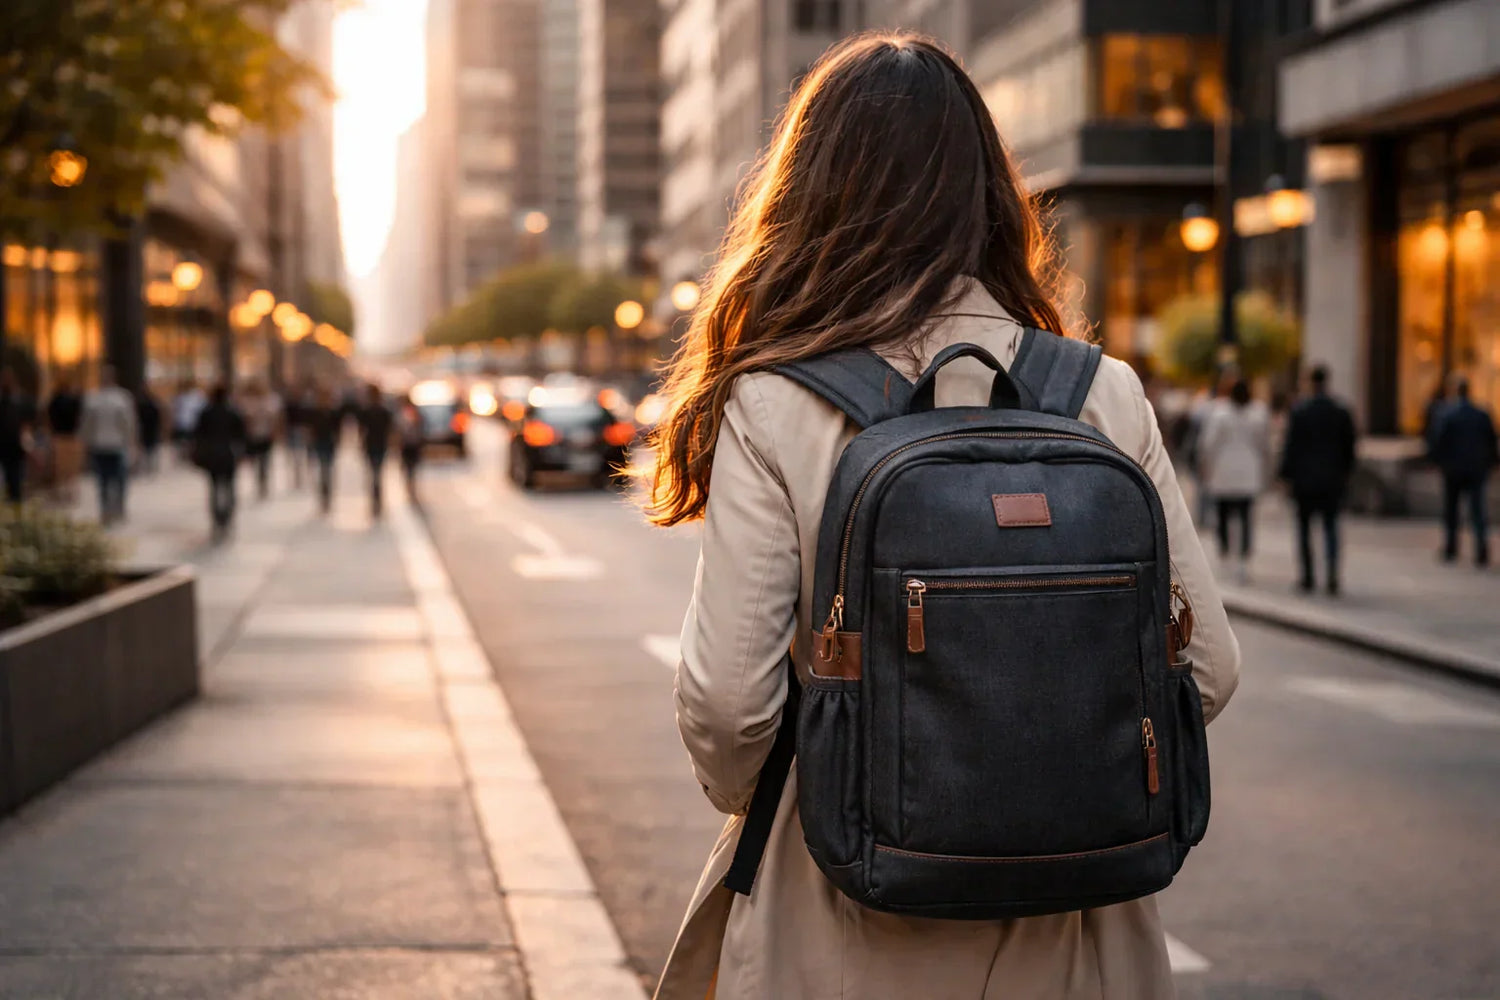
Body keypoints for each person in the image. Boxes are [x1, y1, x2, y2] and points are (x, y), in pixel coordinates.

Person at [642, 34, 1240, 1000]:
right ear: (988, 194)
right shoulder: (1101, 393)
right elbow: (1206, 668)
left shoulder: (776, 399)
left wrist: (848, 783)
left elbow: (727, 708)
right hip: (1077, 927)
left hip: (841, 912)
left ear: (805, 198)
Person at [1279, 365, 1358, 594]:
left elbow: (1290, 446)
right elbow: (1350, 447)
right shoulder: (1340, 410)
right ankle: (1332, 575)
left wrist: (1286, 476)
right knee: (1331, 527)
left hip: (1305, 480)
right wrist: (1346, 473)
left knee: (1304, 529)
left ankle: (1308, 576)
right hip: (1332, 479)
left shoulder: (1300, 411)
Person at [1197, 378, 1271, 583]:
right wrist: (1267, 471)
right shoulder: (1259, 412)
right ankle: (1243, 559)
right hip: (1249, 472)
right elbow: (1265, 445)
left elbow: (1209, 443)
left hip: (1223, 472)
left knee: (1222, 514)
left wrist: (1205, 466)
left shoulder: (1219, 413)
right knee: (1246, 518)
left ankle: (1225, 552)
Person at [1429, 374, 1499, 566]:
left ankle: (1452, 547)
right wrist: (1491, 463)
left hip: (1453, 469)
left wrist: (1437, 462)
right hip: (1476, 468)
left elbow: (1438, 441)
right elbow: (1491, 441)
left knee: (1452, 510)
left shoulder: (1446, 414)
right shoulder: (1481, 414)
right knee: (1477, 511)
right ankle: (1481, 550)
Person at [79, 366, 137, 525]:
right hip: (105, 446)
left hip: (115, 446)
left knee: (114, 480)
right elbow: (87, 425)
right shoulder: (96, 398)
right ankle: (109, 510)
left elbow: (128, 423)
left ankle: (114, 509)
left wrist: (131, 442)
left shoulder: (117, 397)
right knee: (107, 481)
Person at [191, 385, 246, 543]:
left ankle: (217, 519)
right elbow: (241, 435)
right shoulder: (233, 412)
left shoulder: (206, 413)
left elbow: (197, 435)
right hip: (228, 455)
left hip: (212, 456)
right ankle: (226, 518)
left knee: (215, 489)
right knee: (229, 488)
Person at [355, 383, 394, 518]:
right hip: (374, 445)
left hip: (376, 445)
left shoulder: (381, 411)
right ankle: (376, 499)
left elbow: (390, 431)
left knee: (375, 474)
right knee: (376, 474)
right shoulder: (371, 411)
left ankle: (376, 499)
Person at [239, 379, 281, 500]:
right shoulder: (248, 401)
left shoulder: (270, 400)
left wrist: (275, 432)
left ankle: (263, 481)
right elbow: (245, 419)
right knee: (256, 460)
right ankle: (259, 480)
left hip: (266, 436)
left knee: (264, 461)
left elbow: (275, 418)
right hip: (253, 437)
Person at [45, 375, 84, 501]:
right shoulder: (75, 401)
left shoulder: (54, 401)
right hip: (72, 437)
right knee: (71, 468)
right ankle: (70, 493)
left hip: (59, 437)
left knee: (60, 468)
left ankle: (60, 493)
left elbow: (49, 418)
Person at [306, 385, 343, 514]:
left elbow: (338, 429)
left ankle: (327, 494)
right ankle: (323, 495)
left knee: (327, 469)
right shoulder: (314, 412)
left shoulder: (333, 412)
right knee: (323, 469)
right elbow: (311, 429)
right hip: (320, 443)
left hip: (329, 443)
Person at [0, 369, 33, 503]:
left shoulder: (20, 402)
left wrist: (28, 446)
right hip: (4, 447)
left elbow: (25, 427)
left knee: (16, 481)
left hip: (16, 448)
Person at [397, 393, 425, 505]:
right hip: (410, 445)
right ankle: (410, 486)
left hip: (410, 445)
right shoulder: (404, 414)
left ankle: (410, 486)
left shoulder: (408, 413)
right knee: (409, 467)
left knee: (410, 467)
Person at [170, 380, 206, 461]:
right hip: (182, 423)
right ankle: (183, 455)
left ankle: (189, 455)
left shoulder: (197, 396)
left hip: (192, 423)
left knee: (190, 441)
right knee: (182, 441)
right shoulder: (180, 397)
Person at [135, 384, 164, 474]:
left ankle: (149, 467)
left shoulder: (149, 403)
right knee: (149, 449)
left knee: (149, 449)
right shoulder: (145, 403)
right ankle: (149, 467)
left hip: (149, 429)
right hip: (148, 429)